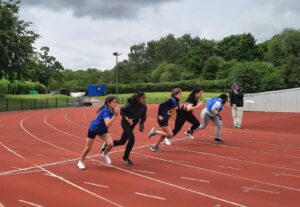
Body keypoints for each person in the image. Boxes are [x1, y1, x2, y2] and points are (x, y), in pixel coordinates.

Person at [100, 92, 147, 166]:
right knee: (132, 139)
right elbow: (122, 111)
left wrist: (141, 124)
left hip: (132, 125)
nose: (144, 99)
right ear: (138, 98)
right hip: (125, 123)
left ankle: (107, 144)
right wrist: (127, 119)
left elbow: (143, 117)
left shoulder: (144, 106)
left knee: (122, 141)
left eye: (145, 98)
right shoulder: (130, 103)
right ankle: (125, 158)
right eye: (143, 98)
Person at [77, 95, 119, 170]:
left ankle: (104, 154)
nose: (116, 103)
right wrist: (115, 116)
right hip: (94, 129)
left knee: (110, 144)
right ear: (109, 103)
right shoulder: (105, 111)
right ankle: (80, 161)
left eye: (116, 102)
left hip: (102, 129)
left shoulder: (113, 109)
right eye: (114, 102)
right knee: (88, 148)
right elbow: (108, 124)